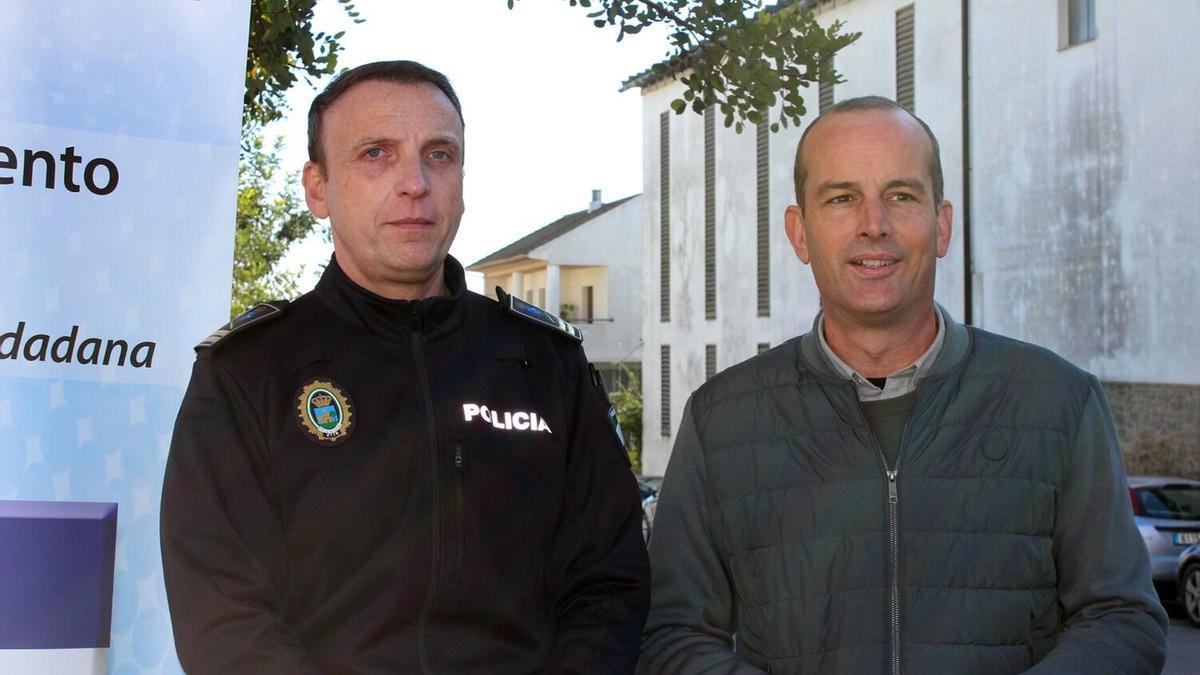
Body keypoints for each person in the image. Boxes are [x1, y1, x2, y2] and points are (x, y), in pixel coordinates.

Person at [637, 96, 1167, 674]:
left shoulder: (1060, 403)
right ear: (800, 233)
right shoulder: (722, 421)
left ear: (941, 225)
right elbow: (672, 634)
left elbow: (1121, 618)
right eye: (842, 198)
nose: (874, 224)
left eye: (901, 195)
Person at [161, 60, 649, 674]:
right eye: (376, 154)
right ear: (318, 188)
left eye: (439, 154)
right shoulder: (248, 372)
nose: (414, 182)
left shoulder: (544, 363)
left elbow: (609, 582)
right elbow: (223, 615)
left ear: (462, 179)